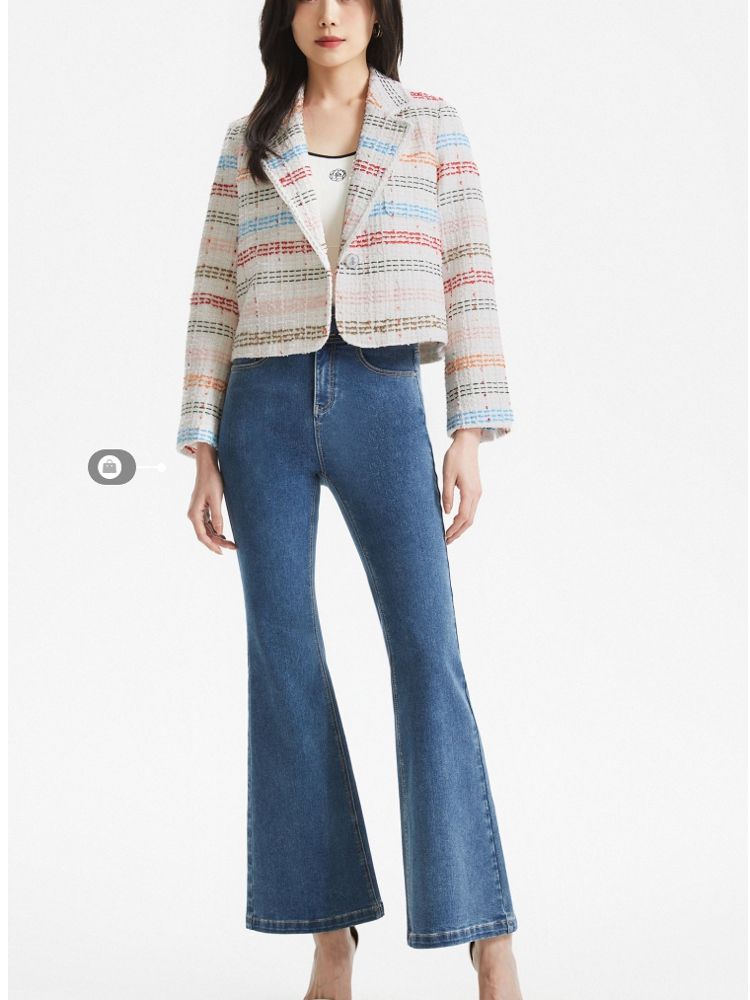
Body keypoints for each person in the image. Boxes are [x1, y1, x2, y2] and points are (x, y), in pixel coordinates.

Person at [176, 2, 523, 998]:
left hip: (382, 395)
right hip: (263, 407)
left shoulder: (429, 124)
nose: (329, 13)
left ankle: (485, 935)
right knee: (284, 661)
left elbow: (469, 276)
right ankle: (329, 935)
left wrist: (468, 431)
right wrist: (201, 445)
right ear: (284, 17)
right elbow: (213, 292)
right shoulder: (251, 138)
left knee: (427, 654)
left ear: (379, 14)